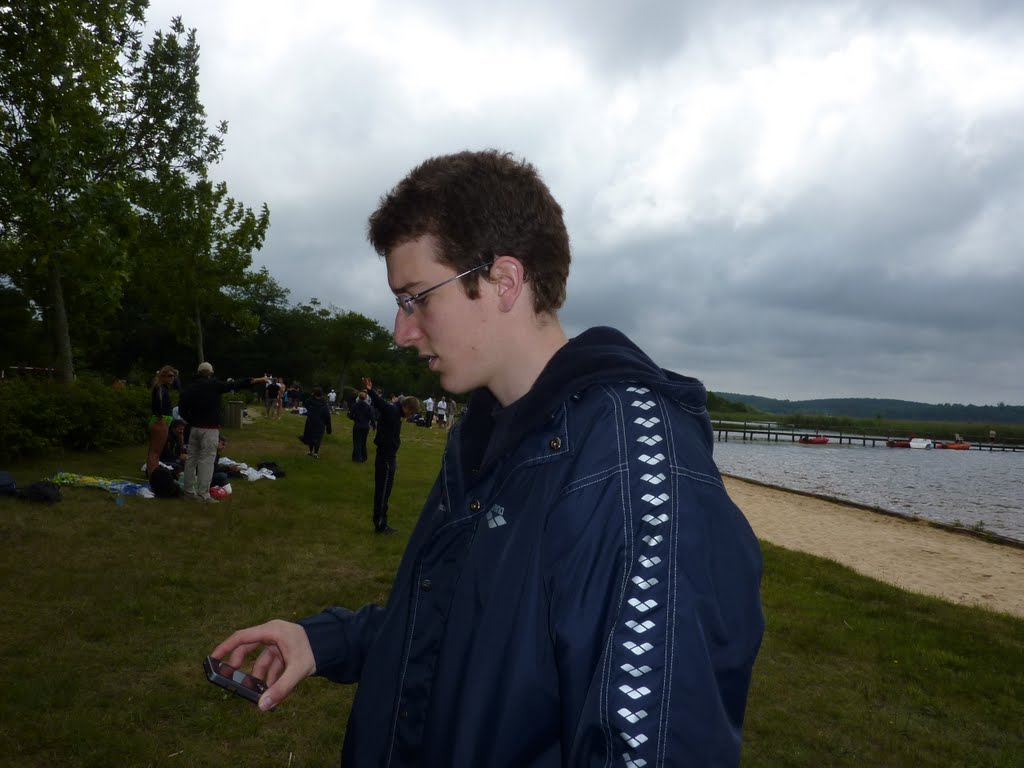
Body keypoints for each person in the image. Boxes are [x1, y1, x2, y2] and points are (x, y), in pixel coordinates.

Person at [211, 150, 764, 766]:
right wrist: (327, 641)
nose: (401, 331)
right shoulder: (485, 438)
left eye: (417, 298)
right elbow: (466, 627)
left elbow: (658, 742)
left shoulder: (629, 464)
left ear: (503, 281)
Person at [178, 362, 268, 503]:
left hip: (194, 428)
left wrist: (191, 421)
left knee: (191, 460)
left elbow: (182, 409)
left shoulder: (189, 387)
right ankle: (203, 495)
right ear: (210, 373)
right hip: (209, 429)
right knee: (207, 462)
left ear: (198, 372)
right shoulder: (214, 385)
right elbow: (234, 385)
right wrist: (255, 380)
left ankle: (188, 492)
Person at [362, 381, 419, 532]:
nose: (410, 416)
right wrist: (370, 390)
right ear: (408, 407)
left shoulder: (395, 413)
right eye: (411, 412)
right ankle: (380, 524)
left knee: (384, 491)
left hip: (387, 456)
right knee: (383, 492)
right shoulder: (392, 410)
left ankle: (381, 522)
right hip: (386, 458)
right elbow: (380, 403)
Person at [146, 365, 178, 477]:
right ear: (162, 376)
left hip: (163, 419)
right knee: (155, 451)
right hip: (161, 420)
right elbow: (158, 402)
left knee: (156, 451)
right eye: (169, 376)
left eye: (173, 376)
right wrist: (160, 417)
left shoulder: (163, 388)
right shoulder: (160, 388)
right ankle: (152, 474)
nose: (172, 378)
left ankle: (152, 473)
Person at [299, 387, 332, 459]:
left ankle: (311, 451)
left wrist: (312, 396)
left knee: (310, 437)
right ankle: (315, 453)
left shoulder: (310, 402)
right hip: (320, 423)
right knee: (318, 438)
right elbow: (327, 416)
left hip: (311, 422)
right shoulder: (323, 403)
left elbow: (306, 403)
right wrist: (328, 427)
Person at [349, 390, 373, 462]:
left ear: (359, 397)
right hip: (365, 426)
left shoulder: (355, 405)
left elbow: (350, 415)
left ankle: (357, 457)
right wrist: (373, 424)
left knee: (357, 441)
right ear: (365, 398)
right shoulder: (368, 407)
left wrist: (354, 418)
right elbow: (372, 417)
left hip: (358, 425)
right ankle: (363, 457)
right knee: (363, 442)